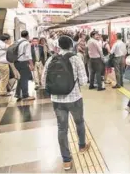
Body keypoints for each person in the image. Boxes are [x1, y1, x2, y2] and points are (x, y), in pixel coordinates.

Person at [41, 36, 90, 171]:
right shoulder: (75, 58)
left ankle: (66, 161)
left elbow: (43, 80)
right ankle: (81, 146)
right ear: (71, 45)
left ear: (58, 46)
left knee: (62, 129)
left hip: (57, 101)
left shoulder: (51, 59)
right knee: (79, 122)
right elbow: (84, 81)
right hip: (74, 98)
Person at [15, 31, 35, 101]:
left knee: (21, 78)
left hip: (17, 62)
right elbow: (28, 55)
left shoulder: (17, 41)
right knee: (24, 79)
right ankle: (25, 95)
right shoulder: (26, 43)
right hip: (23, 62)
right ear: (27, 35)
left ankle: (18, 94)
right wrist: (31, 65)